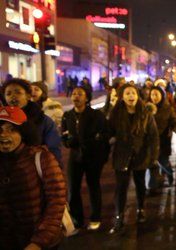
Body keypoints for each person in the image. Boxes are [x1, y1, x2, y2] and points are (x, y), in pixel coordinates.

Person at [0, 106, 67, 249]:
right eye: (0, 130)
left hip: (41, 242)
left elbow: (57, 201)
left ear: (24, 132)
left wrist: (38, 242)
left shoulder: (41, 158)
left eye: (11, 129)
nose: (4, 135)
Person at [107, 84, 159, 234]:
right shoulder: (116, 113)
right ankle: (119, 217)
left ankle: (141, 209)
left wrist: (153, 156)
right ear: (122, 97)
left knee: (140, 185)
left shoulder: (145, 113)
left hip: (140, 155)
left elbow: (153, 136)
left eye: (133, 93)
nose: (131, 96)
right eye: (127, 93)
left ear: (138, 96)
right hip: (122, 157)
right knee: (121, 188)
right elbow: (108, 131)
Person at [61, 86, 109, 231]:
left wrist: (89, 143)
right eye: (74, 94)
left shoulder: (96, 115)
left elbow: (103, 135)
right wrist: (68, 142)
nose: (76, 96)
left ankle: (95, 217)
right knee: (73, 188)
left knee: (93, 185)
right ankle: (77, 218)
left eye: (80, 94)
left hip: (93, 156)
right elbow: (64, 135)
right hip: (75, 156)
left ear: (87, 98)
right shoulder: (67, 115)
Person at [2, 78, 62, 164]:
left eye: (18, 92)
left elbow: (54, 150)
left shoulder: (43, 120)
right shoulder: (2, 120)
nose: (13, 96)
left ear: (28, 96)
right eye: (8, 94)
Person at [148, 86, 176, 188]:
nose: (154, 97)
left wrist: (172, 130)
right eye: (152, 94)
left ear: (162, 95)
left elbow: (175, 121)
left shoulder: (167, 108)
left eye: (156, 94)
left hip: (163, 139)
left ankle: (169, 174)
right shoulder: (147, 107)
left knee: (163, 161)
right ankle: (152, 186)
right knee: (151, 164)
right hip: (150, 141)